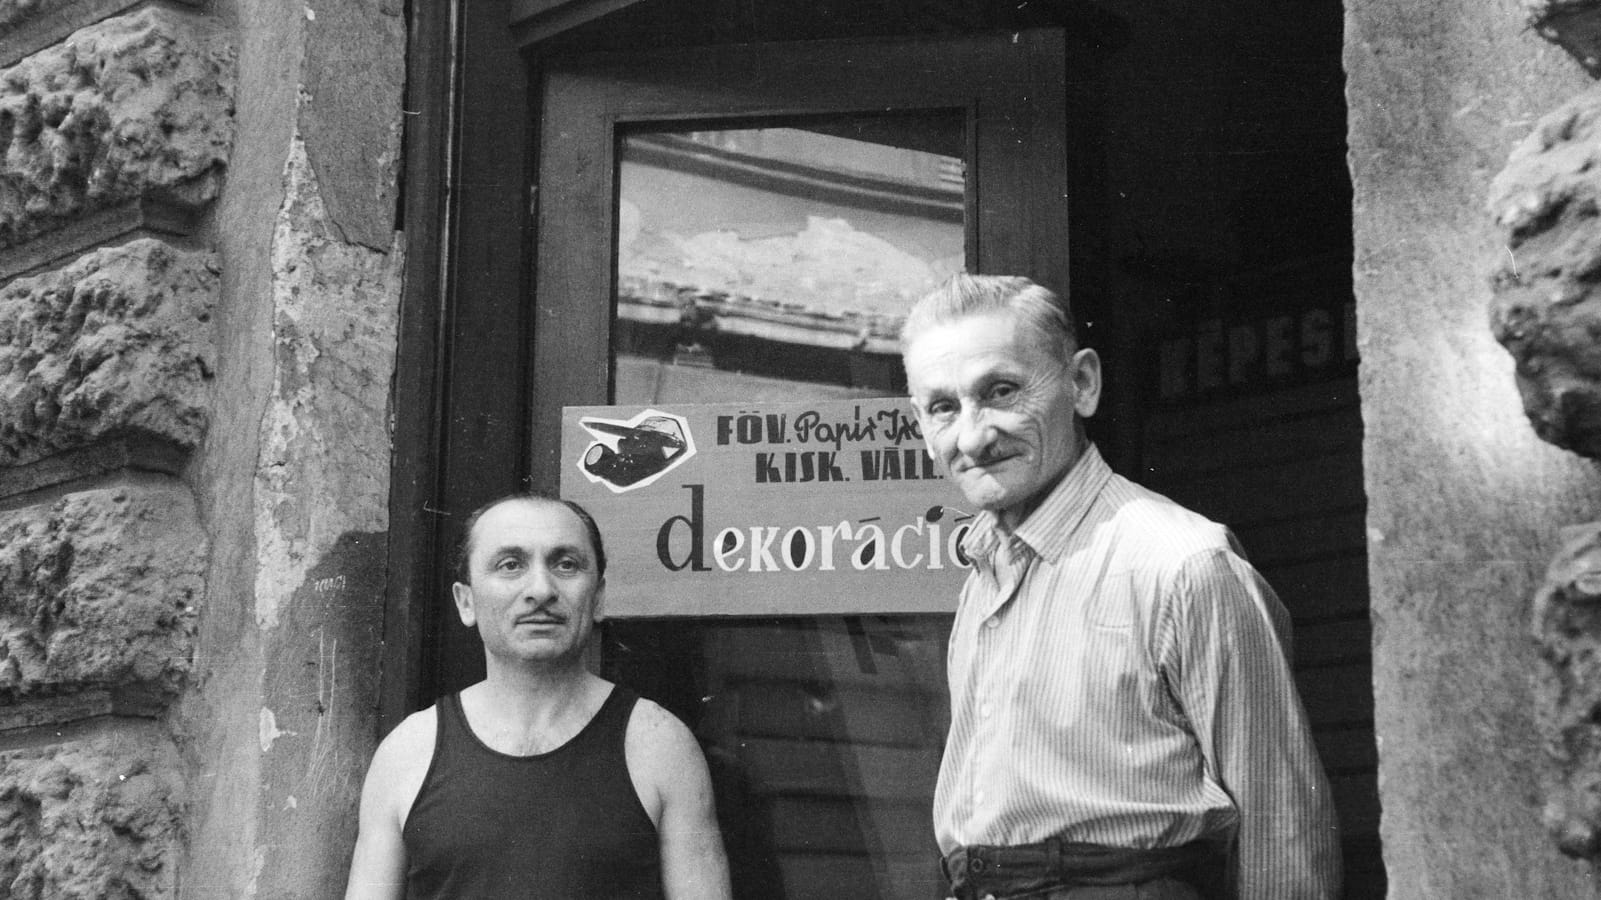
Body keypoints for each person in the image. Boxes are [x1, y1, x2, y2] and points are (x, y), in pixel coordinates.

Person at [900, 274, 1341, 900]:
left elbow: (1282, 834)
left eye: (1001, 391)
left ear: (1082, 384)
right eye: (944, 408)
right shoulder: (983, 575)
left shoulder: (1182, 565)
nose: (972, 437)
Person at [343, 494, 732, 900]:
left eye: (566, 564)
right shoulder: (408, 752)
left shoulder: (659, 745)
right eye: (510, 565)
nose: (541, 589)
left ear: (598, 597)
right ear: (466, 601)